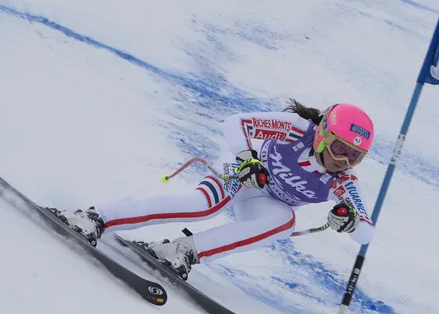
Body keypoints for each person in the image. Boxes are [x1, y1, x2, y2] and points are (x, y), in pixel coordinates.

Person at [49, 100, 376, 280]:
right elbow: (236, 123)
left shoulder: (343, 179)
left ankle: (182, 250)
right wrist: (248, 159)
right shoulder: (299, 130)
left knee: (283, 222)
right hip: (242, 171)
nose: (343, 160)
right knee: (203, 205)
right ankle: (95, 217)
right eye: (338, 148)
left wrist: (348, 222)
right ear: (322, 135)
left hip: (265, 201)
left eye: (354, 155)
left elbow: (365, 230)